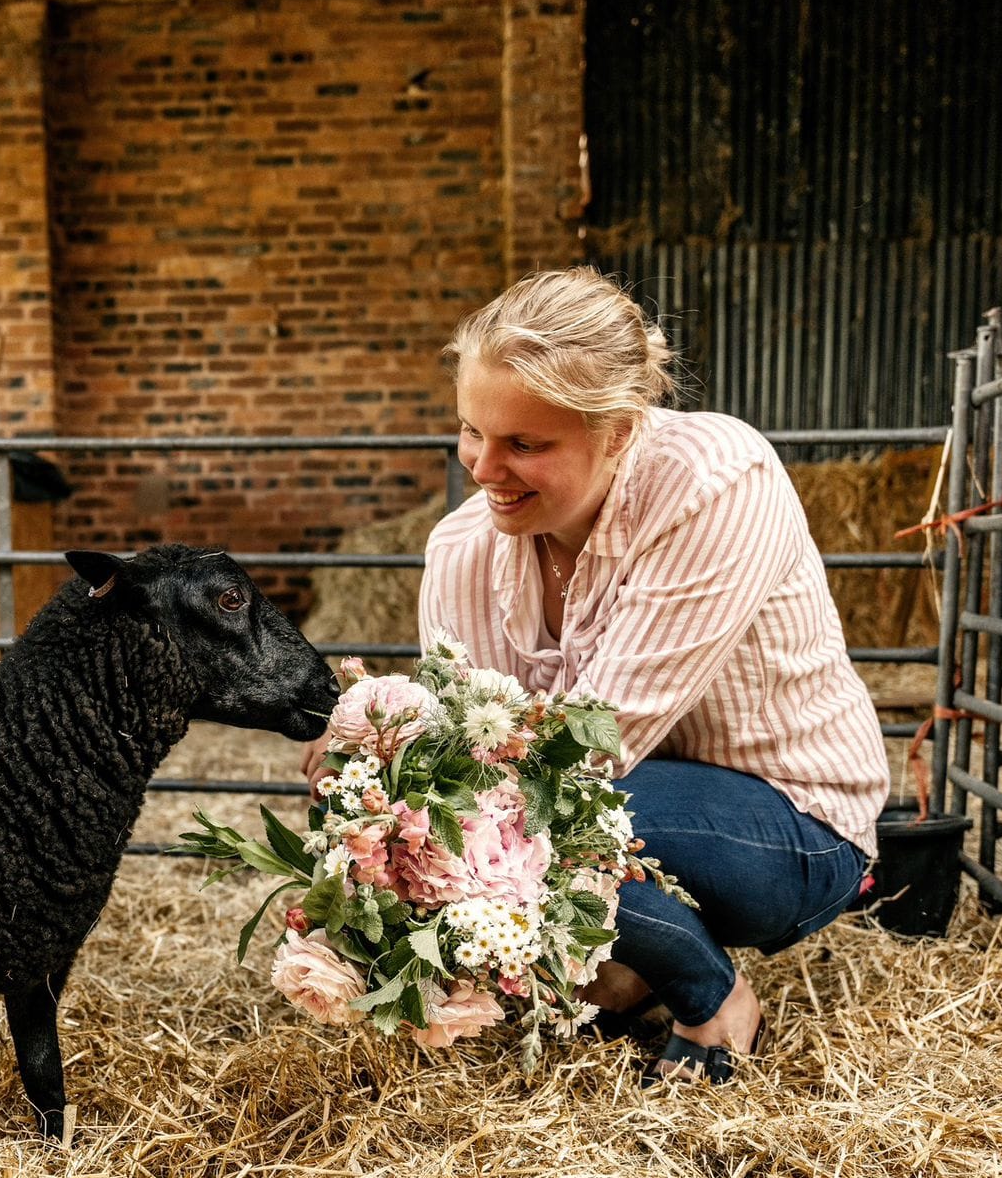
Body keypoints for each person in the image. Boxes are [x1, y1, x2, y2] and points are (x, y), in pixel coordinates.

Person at [306, 267, 889, 1084]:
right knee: (439, 819)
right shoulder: (463, 549)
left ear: (617, 430)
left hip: (787, 823)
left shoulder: (714, 482)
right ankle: (623, 962)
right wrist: (373, 774)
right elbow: (468, 741)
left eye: (525, 444)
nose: (481, 467)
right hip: (627, 802)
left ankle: (714, 999)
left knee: (508, 818)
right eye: (472, 431)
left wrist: (416, 791)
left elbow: (583, 754)